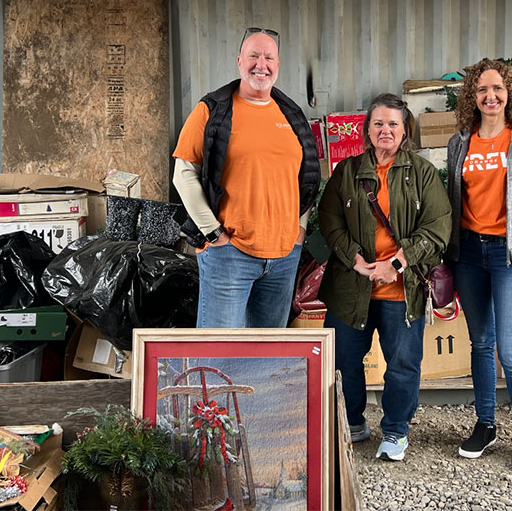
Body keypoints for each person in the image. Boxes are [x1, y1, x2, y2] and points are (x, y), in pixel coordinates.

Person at [318, 93, 451, 462]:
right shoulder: (347, 171)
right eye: (378, 123)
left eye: (393, 123)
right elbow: (329, 220)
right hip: (351, 288)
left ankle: (395, 430)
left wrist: (396, 263)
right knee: (343, 361)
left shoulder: (422, 173)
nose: (385, 130)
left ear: (405, 129)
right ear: (367, 130)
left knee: (403, 365)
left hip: (401, 290)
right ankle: (353, 422)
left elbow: (438, 228)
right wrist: (357, 261)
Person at [172, 26, 320, 328]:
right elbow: (183, 174)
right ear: (239, 61)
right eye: (253, 55)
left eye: (268, 57)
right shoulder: (212, 111)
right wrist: (213, 233)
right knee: (218, 357)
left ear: (277, 66)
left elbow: (305, 179)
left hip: (283, 257)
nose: (260, 64)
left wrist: (299, 232)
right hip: (229, 254)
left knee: (266, 360)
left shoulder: (290, 115)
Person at [446, 59, 512, 472]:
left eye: (498, 89)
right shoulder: (460, 142)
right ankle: (486, 424)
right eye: (482, 90)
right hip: (469, 254)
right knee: (481, 344)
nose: (490, 96)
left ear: (509, 94)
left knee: (511, 352)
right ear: (472, 97)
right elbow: (453, 204)